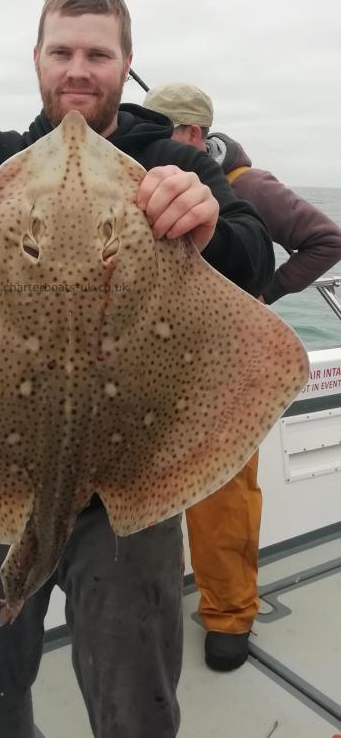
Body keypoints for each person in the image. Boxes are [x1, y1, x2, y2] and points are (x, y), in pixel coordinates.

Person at [0, 0, 274, 738]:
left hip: (134, 479)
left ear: (124, 65)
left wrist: (207, 227)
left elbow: (253, 257)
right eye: (62, 51)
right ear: (37, 59)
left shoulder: (168, 158)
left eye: (97, 53)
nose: (77, 68)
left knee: (137, 698)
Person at [143, 81, 341, 673]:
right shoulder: (144, 177)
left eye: (163, 132)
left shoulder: (245, 187)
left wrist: (263, 293)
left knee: (221, 493)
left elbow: (326, 241)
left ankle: (229, 615)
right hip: (159, 359)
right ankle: (150, 608)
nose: (148, 146)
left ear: (195, 134)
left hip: (227, 366)